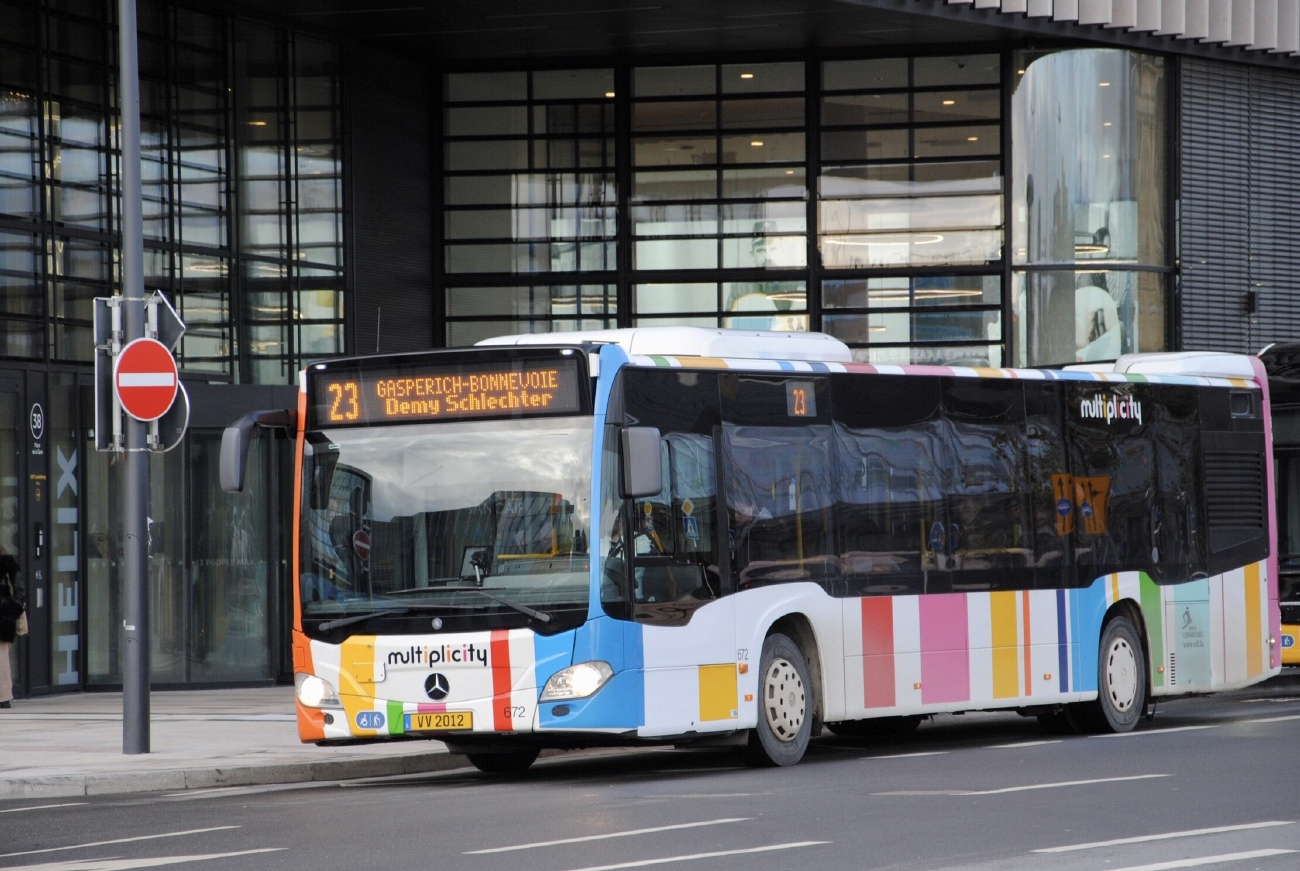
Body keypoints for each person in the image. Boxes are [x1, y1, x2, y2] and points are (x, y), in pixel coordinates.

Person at [0, 546, 25, 709]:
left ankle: (3, 697)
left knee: (2, 660)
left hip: (3, 619)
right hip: (4, 617)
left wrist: (11, 610)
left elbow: (19, 591)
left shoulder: (7, 565)